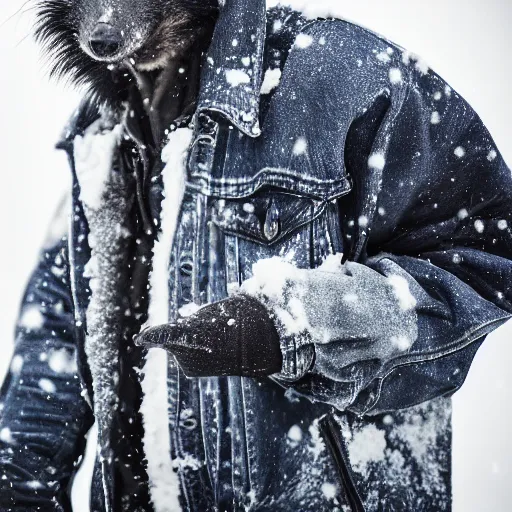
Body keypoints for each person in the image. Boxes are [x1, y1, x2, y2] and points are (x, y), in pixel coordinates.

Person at [1, 0, 511, 510]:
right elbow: (61, 321)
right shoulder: (100, 131)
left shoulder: (340, 74)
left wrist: (294, 327)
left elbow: (488, 257)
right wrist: (19, 479)